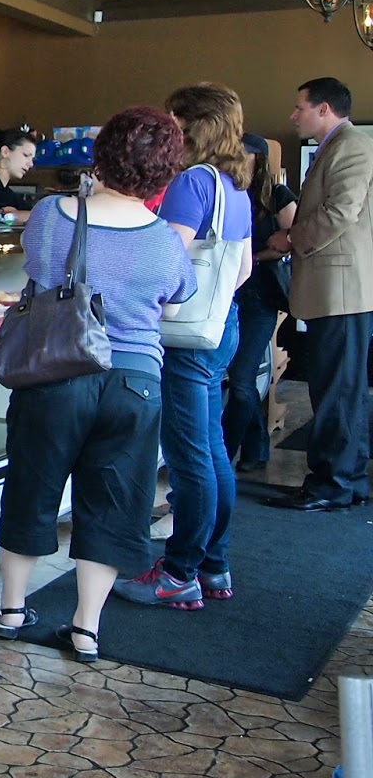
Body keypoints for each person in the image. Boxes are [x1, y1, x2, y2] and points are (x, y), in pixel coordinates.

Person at [0, 106, 195, 662]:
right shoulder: (165, 240)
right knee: (113, 502)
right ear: (165, 171)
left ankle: (11, 611)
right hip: (135, 382)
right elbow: (176, 303)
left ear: (101, 153)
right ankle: (85, 629)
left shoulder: (51, 214)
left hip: (56, 371)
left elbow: (37, 269)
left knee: (31, 489)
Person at [116, 82, 252, 610]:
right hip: (220, 326)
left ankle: (179, 571)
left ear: (193, 125)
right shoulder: (234, 184)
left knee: (189, 456)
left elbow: (166, 262)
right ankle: (214, 564)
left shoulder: (192, 181)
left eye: (173, 120)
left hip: (185, 338)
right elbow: (242, 269)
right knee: (212, 449)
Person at [265, 77, 373, 511]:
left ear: (324, 109)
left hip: (342, 291)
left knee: (337, 390)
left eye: (300, 107)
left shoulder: (351, 146)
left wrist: (291, 239)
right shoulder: (338, 146)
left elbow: (341, 212)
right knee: (342, 388)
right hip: (337, 291)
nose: (294, 115)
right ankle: (347, 479)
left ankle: (333, 483)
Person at [222, 133, 296, 471]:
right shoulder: (227, 190)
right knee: (240, 376)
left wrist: (252, 257)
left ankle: (223, 452)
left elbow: (290, 241)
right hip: (228, 292)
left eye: (243, 153)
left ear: (258, 159)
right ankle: (256, 447)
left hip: (260, 295)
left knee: (241, 379)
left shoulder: (277, 195)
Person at [0, 128, 38, 221]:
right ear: (5, 151)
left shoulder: (5, 192)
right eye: (26, 155)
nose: (31, 164)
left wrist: (18, 214)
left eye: (32, 159)